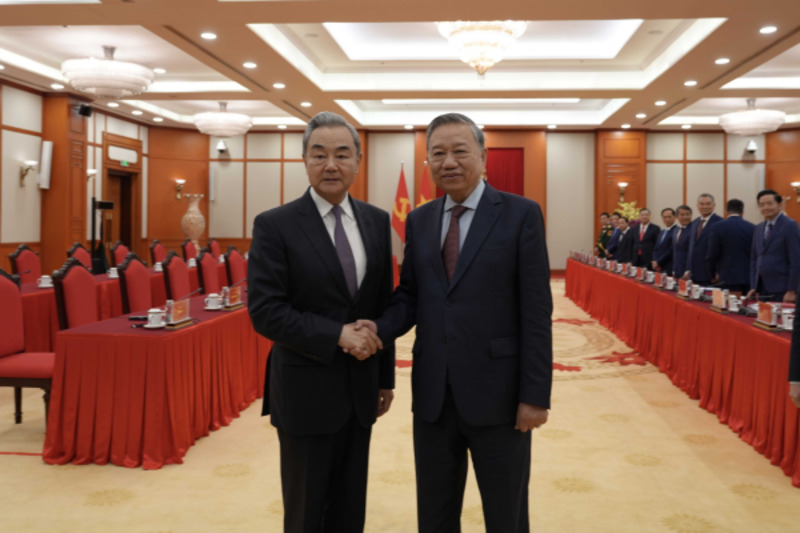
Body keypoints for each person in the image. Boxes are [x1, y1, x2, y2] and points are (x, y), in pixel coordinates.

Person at [357, 113, 552, 533]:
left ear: (482, 156)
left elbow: (537, 311)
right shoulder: (420, 219)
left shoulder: (520, 214)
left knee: (506, 514)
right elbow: (410, 296)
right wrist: (377, 329)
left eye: (460, 151)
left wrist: (535, 395)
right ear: (428, 161)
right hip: (434, 396)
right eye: (438, 153)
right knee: (435, 513)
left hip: (500, 396)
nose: (449, 162)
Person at [247, 111, 396, 533]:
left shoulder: (376, 221)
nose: (331, 165)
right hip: (304, 391)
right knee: (306, 510)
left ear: (357, 161)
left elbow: (381, 305)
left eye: (342, 154)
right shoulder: (275, 224)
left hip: (361, 387)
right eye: (319, 155)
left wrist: (385, 378)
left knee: (350, 508)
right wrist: (337, 335)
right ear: (305, 161)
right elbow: (266, 311)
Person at [746, 189, 800, 303]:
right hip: (762, 288)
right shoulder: (758, 228)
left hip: (782, 288)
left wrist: (792, 290)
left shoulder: (790, 225)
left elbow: (796, 260)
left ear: (779, 205)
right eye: (762, 205)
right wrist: (754, 286)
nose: (765, 207)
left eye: (770, 204)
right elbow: (754, 259)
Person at [705, 198, 755, 294]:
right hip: (748, 277)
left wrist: (712, 274)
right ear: (742, 212)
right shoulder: (752, 227)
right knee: (747, 303)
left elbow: (712, 254)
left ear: (726, 211)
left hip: (727, 277)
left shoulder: (717, 227)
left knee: (729, 302)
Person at [684, 193, 722, 285]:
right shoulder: (695, 222)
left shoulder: (720, 223)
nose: (705, 207)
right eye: (702, 204)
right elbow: (691, 248)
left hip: (711, 275)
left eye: (708, 204)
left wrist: (718, 271)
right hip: (693, 274)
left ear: (714, 205)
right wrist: (688, 269)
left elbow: (722, 250)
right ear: (697, 206)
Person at [652, 207, 677, 274]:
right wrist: (654, 261)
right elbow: (656, 248)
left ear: (675, 217)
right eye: (664, 217)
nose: (667, 219)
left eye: (669, 217)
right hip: (657, 266)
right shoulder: (662, 232)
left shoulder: (676, 230)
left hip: (669, 265)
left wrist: (659, 262)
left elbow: (671, 249)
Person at [672, 205, 693, 278]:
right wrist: (674, 269)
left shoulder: (694, 230)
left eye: (688, 214)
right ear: (676, 217)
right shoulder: (676, 230)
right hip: (677, 269)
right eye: (682, 215)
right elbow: (675, 251)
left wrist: (688, 270)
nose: (685, 217)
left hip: (690, 271)